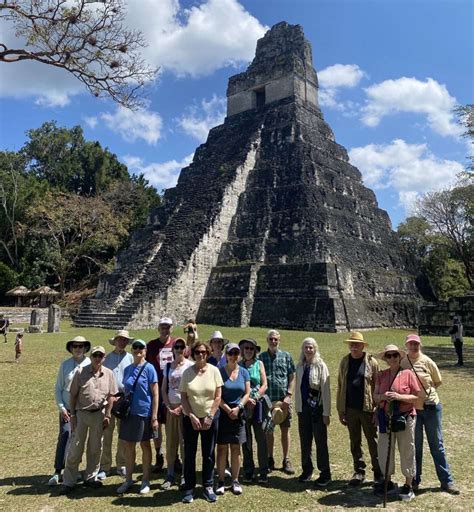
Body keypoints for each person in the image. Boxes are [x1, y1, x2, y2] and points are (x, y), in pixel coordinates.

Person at [401, 333, 460, 494]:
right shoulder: (403, 362)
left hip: (431, 408)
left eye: (416, 344)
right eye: (411, 344)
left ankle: (446, 481)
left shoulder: (427, 361)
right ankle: (414, 480)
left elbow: (437, 381)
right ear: (406, 345)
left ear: (420, 345)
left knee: (437, 446)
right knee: (415, 447)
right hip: (413, 410)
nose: (413, 347)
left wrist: (425, 395)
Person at [59, 346, 118, 494]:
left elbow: (111, 396)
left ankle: (91, 477)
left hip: (99, 415)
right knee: (76, 448)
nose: (97, 358)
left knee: (95, 447)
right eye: (95, 355)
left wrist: (108, 415)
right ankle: (69, 481)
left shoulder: (109, 374)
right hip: (82, 414)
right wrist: (72, 416)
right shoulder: (81, 372)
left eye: (100, 356)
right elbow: (72, 395)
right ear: (91, 357)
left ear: (104, 358)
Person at [374, 344, 422, 502]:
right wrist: (383, 397)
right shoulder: (381, 375)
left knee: (407, 449)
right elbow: (375, 396)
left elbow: (417, 397)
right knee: (384, 450)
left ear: (399, 357)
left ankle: (408, 484)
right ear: (386, 359)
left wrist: (399, 397)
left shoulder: (408, 374)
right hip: (385, 417)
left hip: (404, 417)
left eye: (395, 355)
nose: (392, 358)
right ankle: (387, 481)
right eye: (389, 356)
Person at [336, 331, 382, 486]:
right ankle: (359, 471)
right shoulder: (344, 361)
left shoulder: (372, 362)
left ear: (363, 346)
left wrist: (377, 409)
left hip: (368, 408)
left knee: (373, 441)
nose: (353, 346)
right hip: (350, 409)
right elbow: (340, 386)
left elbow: (378, 386)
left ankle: (378, 472)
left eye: (356, 344)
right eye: (351, 344)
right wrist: (340, 410)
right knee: (355, 441)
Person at [180, 341, 223, 504]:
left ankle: (208, 486)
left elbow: (218, 396)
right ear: (193, 354)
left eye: (204, 352)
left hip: (210, 419)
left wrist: (210, 416)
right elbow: (183, 397)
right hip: (190, 419)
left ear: (208, 353)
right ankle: (190, 488)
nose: (200, 354)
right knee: (190, 454)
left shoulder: (214, 371)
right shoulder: (187, 372)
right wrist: (191, 415)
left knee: (209, 454)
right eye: (197, 352)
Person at [116, 339, 159, 495]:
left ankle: (145, 480)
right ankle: (128, 479)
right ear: (132, 350)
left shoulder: (150, 368)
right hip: (129, 414)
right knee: (128, 446)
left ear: (146, 350)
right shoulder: (127, 369)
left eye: (141, 347)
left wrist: (154, 416)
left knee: (145, 445)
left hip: (144, 413)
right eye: (135, 347)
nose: (138, 350)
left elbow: (155, 393)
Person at [48, 336, 91, 486]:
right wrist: (61, 408)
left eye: (81, 346)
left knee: (78, 439)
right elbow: (58, 388)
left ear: (85, 348)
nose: (78, 348)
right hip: (67, 409)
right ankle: (58, 471)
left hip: (82, 409)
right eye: (75, 346)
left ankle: (74, 470)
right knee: (65, 435)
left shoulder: (90, 364)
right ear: (71, 348)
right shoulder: (65, 365)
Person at [295, 337, 331, 486]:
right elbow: (297, 389)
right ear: (303, 350)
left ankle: (325, 473)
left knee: (320, 442)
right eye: (306, 347)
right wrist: (297, 408)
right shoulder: (300, 366)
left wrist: (326, 413)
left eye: (311, 347)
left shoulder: (321, 366)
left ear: (315, 349)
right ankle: (307, 470)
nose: (308, 350)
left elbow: (326, 390)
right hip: (303, 410)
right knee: (305, 441)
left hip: (317, 410)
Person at [259, 329, 296, 474]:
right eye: (271, 339)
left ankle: (286, 459)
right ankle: (269, 458)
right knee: (268, 431)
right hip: (268, 401)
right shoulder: (261, 358)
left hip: (284, 400)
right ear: (267, 340)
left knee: (285, 429)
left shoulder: (286, 356)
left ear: (279, 340)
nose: (273, 341)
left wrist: (289, 394)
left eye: (275, 339)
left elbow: (292, 376)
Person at [215, 343, 250, 496]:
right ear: (226, 355)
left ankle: (235, 481)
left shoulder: (244, 372)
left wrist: (239, 407)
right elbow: (217, 395)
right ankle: (221, 480)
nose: (233, 356)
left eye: (236, 353)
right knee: (222, 449)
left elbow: (247, 393)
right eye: (230, 353)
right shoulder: (220, 372)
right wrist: (228, 409)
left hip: (239, 413)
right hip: (223, 413)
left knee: (236, 449)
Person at [99, 330, 134, 479]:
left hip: (124, 399)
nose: (122, 342)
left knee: (123, 435)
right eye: (119, 339)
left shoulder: (130, 357)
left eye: (124, 340)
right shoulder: (107, 358)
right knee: (107, 434)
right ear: (115, 341)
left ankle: (122, 464)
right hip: (109, 399)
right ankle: (104, 466)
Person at [161, 337, 193, 490]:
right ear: (173, 350)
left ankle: (184, 476)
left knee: (184, 443)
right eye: (177, 347)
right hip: (171, 410)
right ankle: (170, 474)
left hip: (185, 410)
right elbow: (164, 389)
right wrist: (168, 406)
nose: (179, 350)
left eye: (182, 347)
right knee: (170, 443)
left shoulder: (190, 366)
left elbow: (192, 390)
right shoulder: (168, 367)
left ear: (186, 349)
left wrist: (181, 407)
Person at [146, 316, 178, 472]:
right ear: (158, 328)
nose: (165, 330)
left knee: (172, 426)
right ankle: (159, 454)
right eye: (163, 327)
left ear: (172, 328)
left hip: (173, 390)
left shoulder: (177, 344)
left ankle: (175, 455)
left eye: (168, 327)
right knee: (156, 424)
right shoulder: (151, 345)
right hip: (156, 389)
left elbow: (189, 353)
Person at [239, 337, 269, 483]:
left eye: (251, 349)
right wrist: (246, 399)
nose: (249, 351)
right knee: (246, 440)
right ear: (242, 351)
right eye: (246, 348)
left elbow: (265, 384)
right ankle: (248, 470)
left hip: (258, 406)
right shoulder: (239, 365)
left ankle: (263, 470)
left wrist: (255, 397)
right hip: (244, 406)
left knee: (261, 438)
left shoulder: (259, 364)